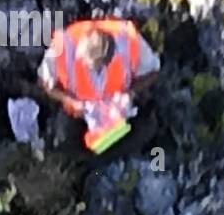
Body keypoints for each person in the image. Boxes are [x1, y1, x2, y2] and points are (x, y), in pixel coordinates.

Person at [37, 18, 159, 149]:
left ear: (108, 59)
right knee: (63, 141)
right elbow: (43, 82)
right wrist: (69, 100)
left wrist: (130, 93)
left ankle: (109, 155)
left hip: (116, 115)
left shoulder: (128, 39)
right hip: (79, 114)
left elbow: (153, 71)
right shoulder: (63, 45)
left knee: (147, 127)